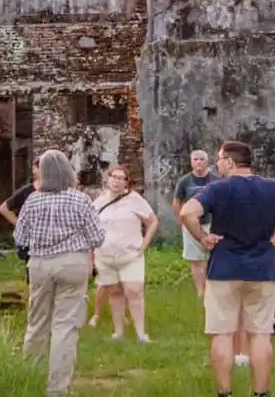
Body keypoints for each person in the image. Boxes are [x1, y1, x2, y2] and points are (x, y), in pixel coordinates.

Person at [179, 141, 275, 397]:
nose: (216, 165)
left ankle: (224, 393)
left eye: (219, 159)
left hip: (224, 270)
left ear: (230, 161)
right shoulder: (272, 188)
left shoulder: (217, 188)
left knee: (222, 334)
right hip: (262, 270)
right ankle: (261, 393)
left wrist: (202, 238)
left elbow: (187, 213)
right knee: (261, 334)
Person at [14, 149, 106, 397]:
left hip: (40, 264)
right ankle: (57, 389)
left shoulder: (33, 200)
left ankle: (30, 379)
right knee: (65, 326)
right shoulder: (80, 199)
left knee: (36, 323)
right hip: (72, 262)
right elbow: (98, 237)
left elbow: (19, 237)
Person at [92, 164, 158, 342]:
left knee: (134, 291)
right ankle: (118, 332)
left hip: (130, 255)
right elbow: (91, 227)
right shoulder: (98, 202)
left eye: (121, 178)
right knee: (114, 293)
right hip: (105, 256)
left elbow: (152, 222)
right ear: (108, 179)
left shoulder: (135, 199)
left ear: (126, 182)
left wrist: (144, 245)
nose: (116, 181)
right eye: (114, 177)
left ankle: (141, 333)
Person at [172, 149, 221, 299]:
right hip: (192, 224)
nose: (199, 162)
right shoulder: (185, 181)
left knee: (217, 257)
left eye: (201, 159)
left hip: (212, 224)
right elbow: (177, 202)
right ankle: (201, 292)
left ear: (207, 161)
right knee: (195, 260)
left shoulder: (216, 179)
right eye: (195, 160)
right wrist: (183, 221)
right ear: (191, 162)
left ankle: (214, 289)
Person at [0, 157, 40, 283]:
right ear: (34, 169)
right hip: (31, 240)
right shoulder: (27, 191)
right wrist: (20, 224)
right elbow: (4, 208)